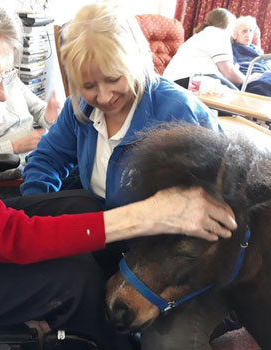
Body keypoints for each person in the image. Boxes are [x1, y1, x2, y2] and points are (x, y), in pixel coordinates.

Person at [0, 0, 237, 348]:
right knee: (72, 279)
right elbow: (6, 234)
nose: (0, 94)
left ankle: (116, 301)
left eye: (4, 75)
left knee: (82, 204)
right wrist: (145, 215)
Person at [19, 3, 239, 350]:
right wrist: (43, 209)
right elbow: (46, 160)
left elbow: (219, 208)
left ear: (135, 60)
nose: (103, 96)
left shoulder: (178, 111)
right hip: (114, 249)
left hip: (173, 264)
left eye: (114, 79)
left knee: (165, 341)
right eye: (89, 84)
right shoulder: (80, 107)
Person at [163, 8, 260, 90]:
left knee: (227, 97)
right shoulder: (219, 34)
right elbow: (229, 73)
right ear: (229, 26)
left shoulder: (201, 35)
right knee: (237, 101)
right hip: (189, 82)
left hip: (173, 82)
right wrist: (248, 78)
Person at [0, 77, 61, 180]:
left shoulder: (10, 76)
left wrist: (49, 117)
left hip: (37, 155)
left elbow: (40, 109)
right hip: (11, 169)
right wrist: (13, 147)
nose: (5, 94)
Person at [232, 15, 271, 97]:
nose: (248, 34)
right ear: (234, 35)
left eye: (251, 31)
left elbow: (268, 63)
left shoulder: (257, 50)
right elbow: (232, 71)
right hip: (249, 81)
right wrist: (249, 77)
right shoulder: (232, 49)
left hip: (265, 76)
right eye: (244, 31)